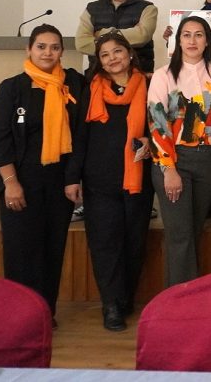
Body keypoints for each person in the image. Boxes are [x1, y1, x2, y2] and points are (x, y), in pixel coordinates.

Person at [0, 24, 86, 324]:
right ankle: (21, 316)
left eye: (54, 47)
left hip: (59, 181)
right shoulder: (12, 88)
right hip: (20, 180)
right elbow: (0, 139)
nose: (47, 53)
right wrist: (11, 183)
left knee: (52, 248)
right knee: (21, 250)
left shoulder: (73, 84)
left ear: (61, 51)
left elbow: (80, 135)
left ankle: (44, 313)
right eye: (41, 46)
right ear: (28, 49)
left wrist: (73, 178)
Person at [80, 32, 153, 331]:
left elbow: (161, 125)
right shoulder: (91, 89)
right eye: (105, 54)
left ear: (129, 53)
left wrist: (150, 141)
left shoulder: (149, 84)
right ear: (99, 61)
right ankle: (110, 305)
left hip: (138, 180)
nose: (112, 58)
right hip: (99, 180)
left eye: (117, 51)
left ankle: (125, 298)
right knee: (105, 243)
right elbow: (80, 137)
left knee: (134, 242)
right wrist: (73, 178)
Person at [148, 16, 211, 286]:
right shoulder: (164, 75)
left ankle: (190, 292)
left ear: (207, 41)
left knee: (194, 230)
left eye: (199, 35)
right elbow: (157, 124)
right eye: (186, 35)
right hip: (175, 160)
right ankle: (179, 299)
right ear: (177, 40)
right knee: (179, 234)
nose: (192, 40)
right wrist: (168, 168)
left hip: (210, 160)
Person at [76, 0, 158, 74]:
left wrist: (101, 34)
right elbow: (81, 44)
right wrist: (126, 36)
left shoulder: (147, 8)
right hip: (97, 76)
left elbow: (142, 36)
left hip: (138, 75)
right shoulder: (92, 8)